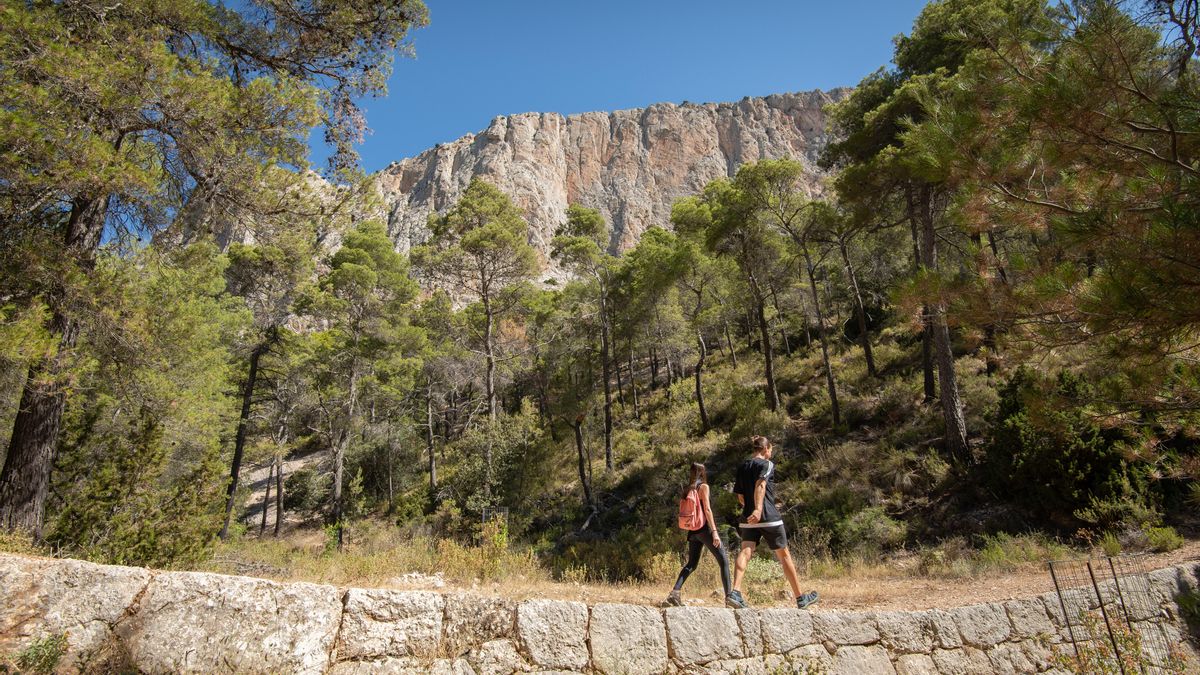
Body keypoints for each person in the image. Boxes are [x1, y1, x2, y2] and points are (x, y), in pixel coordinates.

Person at [727, 435, 818, 610]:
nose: (771, 453)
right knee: (784, 556)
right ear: (765, 449)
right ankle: (800, 598)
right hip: (768, 517)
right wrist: (758, 509)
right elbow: (760, 485)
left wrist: (750, 509)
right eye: (771, 450)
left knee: (746, 550)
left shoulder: (743, 466)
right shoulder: (766, 465)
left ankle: (735, 592)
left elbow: (740, 496)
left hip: (747, 518)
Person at [663, 462, 734, 607]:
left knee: (691, 564)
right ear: (703, 472)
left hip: (693, 530)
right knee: (723, 560)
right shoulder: (704, 487)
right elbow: (707, 510)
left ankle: (675, 593)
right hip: (704, 529)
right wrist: (714, 532)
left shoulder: (688, 489)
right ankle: (729, 598)